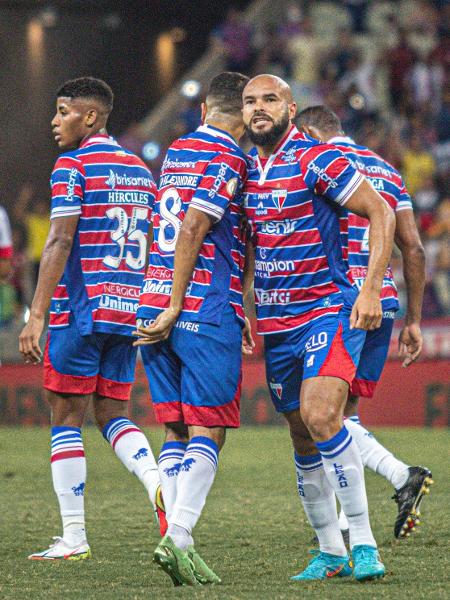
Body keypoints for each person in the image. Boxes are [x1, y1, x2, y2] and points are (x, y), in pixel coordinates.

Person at [242, 75, 395, 582]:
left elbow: (380, 211)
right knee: (302, 435)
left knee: (321, 415)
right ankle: (331, 552)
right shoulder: (245, 172)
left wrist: (370, 288)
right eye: (250, 102)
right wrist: (245, 307)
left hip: (326, 310)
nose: (258, 109)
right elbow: (252, 248)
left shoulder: (316, 158)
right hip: (275, 323)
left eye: (269, 100)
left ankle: (366, 544)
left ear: (289, 108)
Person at [19, 77, 162, 560]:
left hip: (78, 311)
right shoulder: (142, 170)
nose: (55, 121)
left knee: (66, 419)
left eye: (64, 111)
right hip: (129, 311)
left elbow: (58, 240)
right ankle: (155, 478)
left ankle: (74, 537)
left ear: (91, 117)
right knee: (113, 415)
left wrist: (35, 315)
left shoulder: (73, 165)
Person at [134, 72, 251, 586]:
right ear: (245, 114)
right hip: (198, 306)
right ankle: (177, 536)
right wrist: (180, 303)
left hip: (152, 300)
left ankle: (178, 539)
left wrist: (163, 302)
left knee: (177, 427)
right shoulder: (231, 159)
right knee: (212, 426)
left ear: (203, 108)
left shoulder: (177, 151)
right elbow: (194, 228)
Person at [297, 105, 433, 540]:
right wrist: (413, 320)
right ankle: (349, 517)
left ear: (307, 132)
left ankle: (398, 476)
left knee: (324, 416)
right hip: (386, 302)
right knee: (344, 414)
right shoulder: (388, 172)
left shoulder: (313, 167)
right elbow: (413, 249)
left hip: (337, 302)